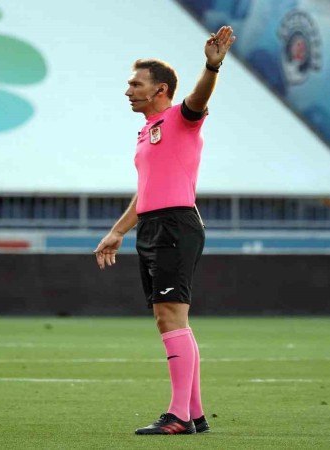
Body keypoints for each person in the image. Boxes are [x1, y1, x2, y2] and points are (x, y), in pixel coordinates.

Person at [93, 26, 236, 435]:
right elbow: (146, 191)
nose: (128, 91)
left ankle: (177, 416)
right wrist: (118, 231)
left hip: (176, 224)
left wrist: (212, 66)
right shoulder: (147, 130)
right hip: (155, 225)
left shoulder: (180, 119)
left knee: (170, 315)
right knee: (169, 318)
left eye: (136, 84)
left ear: (161, 89)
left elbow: (199, 99)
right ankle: (194, 414)